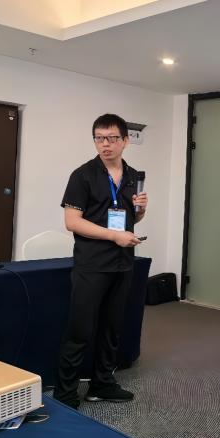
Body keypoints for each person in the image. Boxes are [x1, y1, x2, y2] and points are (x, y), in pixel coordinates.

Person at [53, 113, 148, 409]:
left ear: (125, 141)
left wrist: (141, 211)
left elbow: (131, 219)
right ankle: (65, 394)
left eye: (111, 138)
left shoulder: (132, 175)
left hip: (122, 262)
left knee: (112, 328)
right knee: (80, 330)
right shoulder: (82, 175)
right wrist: (114, 236)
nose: (105, 144)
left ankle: (102, 384)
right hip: (92, 264)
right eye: (99, 138)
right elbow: (72, 222)